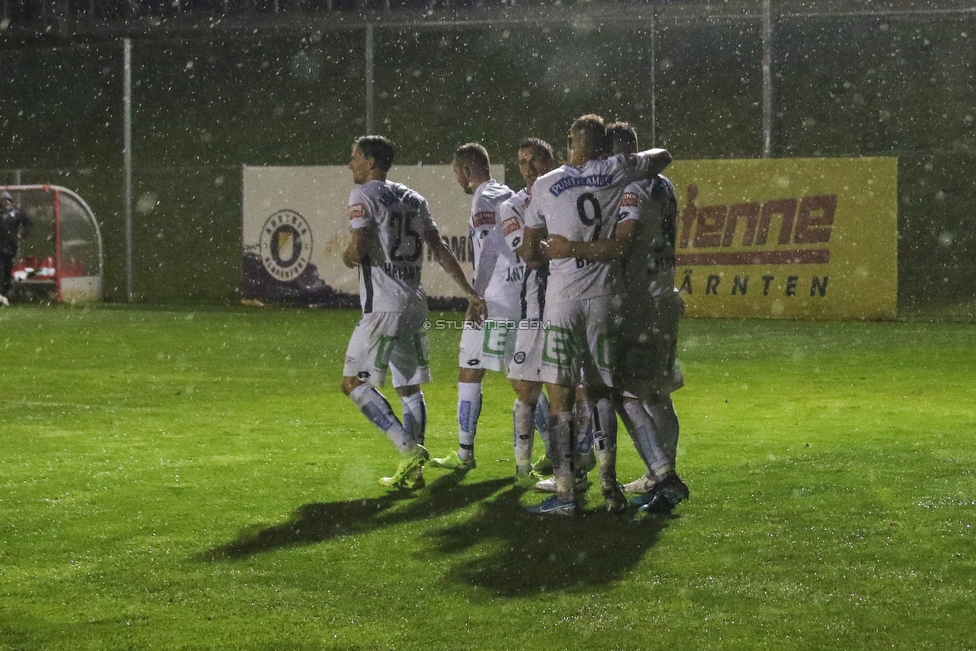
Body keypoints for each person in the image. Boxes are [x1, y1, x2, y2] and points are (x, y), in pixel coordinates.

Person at [521, 114, 671, 515]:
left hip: (563, 299)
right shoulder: (616, 170)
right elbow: (662, 156)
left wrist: (549, 248)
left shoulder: (546, 183)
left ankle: (567, 492)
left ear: (573, 142)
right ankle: (610, 485)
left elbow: (531, 251)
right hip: (607, 297)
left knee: (561, 399)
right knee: (603, 391)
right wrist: (623, 159)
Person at [340, 135, 486, 491]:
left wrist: (346, 256)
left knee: (353, 383)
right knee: (409, 387)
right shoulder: (413, 198)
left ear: (371, 162)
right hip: (414, 303)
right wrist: (468, 291)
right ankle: (414, 475)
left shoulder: (363, 196)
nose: (350, 164)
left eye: (355, 157)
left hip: (384, 306)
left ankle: (409, 449)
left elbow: (357, 251)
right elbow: (438, 247)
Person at [429, 143, 521, 473]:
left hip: (493, 298)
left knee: (472, 370)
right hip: (518, 294)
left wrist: (475, 295)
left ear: (468, 170)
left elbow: (489, 250)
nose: (457, 179)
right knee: (522, 376)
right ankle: (550, 453)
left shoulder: (482, 198)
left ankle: (466, 454)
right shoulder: (508, 193)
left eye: (456, 172)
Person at [498, 138, 557, 486]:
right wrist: (570, 247)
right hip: (536, 305)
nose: (528, 167)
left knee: (575, 391)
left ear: (551, 160)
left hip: (571, 304)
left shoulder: (566, 193)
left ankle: (573, 465)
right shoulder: (512, 206)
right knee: (525, 386)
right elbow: (530, 256)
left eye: (534, 160)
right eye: (522, 162)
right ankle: (524, 469)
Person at [0, 190, 32, 306]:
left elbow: (28, 223)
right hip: (0, 248)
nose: (6, 203)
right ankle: (1, 294)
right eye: (4, 200)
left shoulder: (16, 214)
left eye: (8, 200)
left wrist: (22, 234)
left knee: (7, 272)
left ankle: (4, 295)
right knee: (1, 270)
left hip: (10, 248)